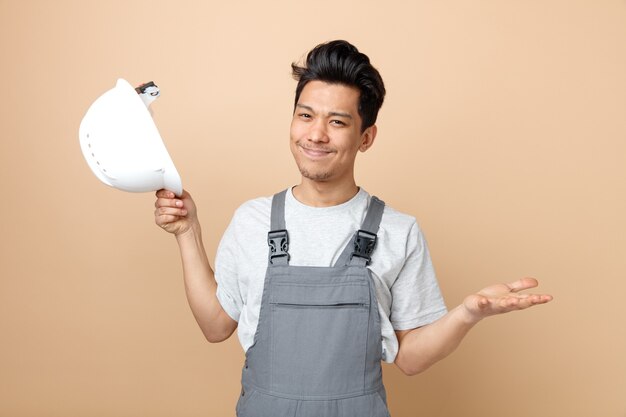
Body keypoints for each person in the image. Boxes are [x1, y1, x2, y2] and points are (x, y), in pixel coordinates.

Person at [153, 40, 552, 417]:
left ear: (366, 137)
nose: (316, 134)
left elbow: (409, 359)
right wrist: (188, 233)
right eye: (305, 115)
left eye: (337, 121)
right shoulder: (252, 220)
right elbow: (215, 326)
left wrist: (466, 314)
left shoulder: (399, 231)